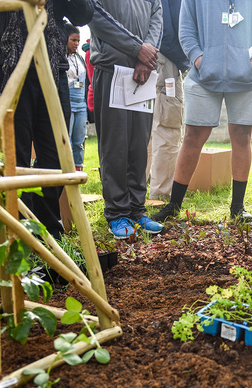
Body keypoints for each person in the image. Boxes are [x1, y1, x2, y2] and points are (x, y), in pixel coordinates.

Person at [152, 0, 252, 223]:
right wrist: (200, 60)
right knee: (192, 137)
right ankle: (174, 205)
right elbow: (186, 31)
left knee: (241, 136)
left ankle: (237, 207)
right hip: (203, 77)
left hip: (246, 80)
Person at [0, 0, 93, 240]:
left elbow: (84, 13)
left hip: (52, 67)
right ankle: (19, 233)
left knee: (56, 154)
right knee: (15, 155)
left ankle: (49, 230)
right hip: (7, 65)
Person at [88, 0, 164, 239]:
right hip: (112, 70)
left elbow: (157, 16)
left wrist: (146, 55)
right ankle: (117, 212)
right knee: (115, 145)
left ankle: (136, 209)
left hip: (143, 73)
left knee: (139, 145)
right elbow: (95, 16)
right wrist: (136, 48)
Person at [148, 0, 190, 202]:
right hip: (166, 61)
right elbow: (166, 32)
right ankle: (160, 194)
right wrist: (187, 60)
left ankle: (139, 191)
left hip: (145, 58)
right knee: (167, 129)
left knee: (145, 130)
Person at [65, 24, 87, 171]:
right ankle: (66, 170)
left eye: (78, 40)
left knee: (79, 141)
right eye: (73, 40)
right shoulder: (61, 58)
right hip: (68, 102)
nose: (76, 43)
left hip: (81, 104)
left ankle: (78, 170)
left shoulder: (80, 57)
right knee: (68, 140)